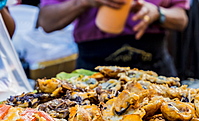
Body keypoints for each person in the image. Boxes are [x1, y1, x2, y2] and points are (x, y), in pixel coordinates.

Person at [37, 0, 189, 76]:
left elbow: (181, 19)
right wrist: (84, 2)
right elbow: (47, 22)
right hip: (93, 71)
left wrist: (158, 13)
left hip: (154, 67)